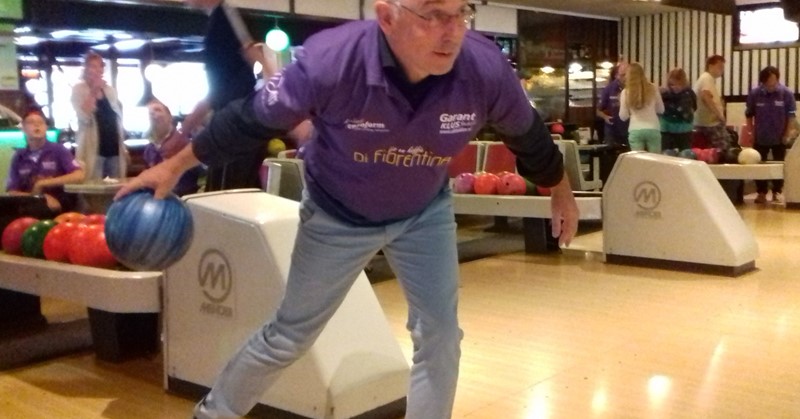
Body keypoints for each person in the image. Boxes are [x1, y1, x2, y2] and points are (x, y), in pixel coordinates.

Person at [117, 1, 579, 418]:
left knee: (440, 336)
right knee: (290, 335)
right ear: (386, 16)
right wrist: (173, 167)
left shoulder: (483, 69)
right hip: (337, 214)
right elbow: (247, 121)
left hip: (423, 211)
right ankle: (214, 413)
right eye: (432, 14)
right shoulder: (329, 62)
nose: (451, 30)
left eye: (461, 13)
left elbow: (529, 136)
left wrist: (560, 188)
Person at [180, 0, 270, 191]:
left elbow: (252, 56)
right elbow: (219, 90)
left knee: (229, 195)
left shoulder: (227, 14)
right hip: (238, 122)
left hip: (237, 124)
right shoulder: (220, 17)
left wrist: (186, 127)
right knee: (237, 193)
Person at [6, 110, 85, 212]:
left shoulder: (58, 150)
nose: (36, 125)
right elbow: (12, 191)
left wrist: (43, 183)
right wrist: (37, 199)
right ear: (23, 129)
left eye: (41, 122)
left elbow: (79, 175)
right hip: (29, 203)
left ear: (46, 128)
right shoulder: (19, 156)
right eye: (31, 122)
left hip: (59, 202)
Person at [71, 51, 128, 180]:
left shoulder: (110, 90)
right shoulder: (79, 89)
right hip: (93, 148)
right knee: (92, 186)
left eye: (100, 66)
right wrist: (94, 90)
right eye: (92, 66)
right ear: (86, 69)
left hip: (114, 146)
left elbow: (117, 117)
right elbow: (83, 116)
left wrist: (123, 147)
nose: (97, 70)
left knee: (117, 188)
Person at [745, 66, 797, 205]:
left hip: (779, 136)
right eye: (768, 83)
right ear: (763, 82)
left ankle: (777, 191)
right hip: (760, 136)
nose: (771, 85)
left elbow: (791, 116)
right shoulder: (755, 94)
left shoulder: (786, 94)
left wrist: (787, 134)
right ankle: (761, 192)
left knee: (780, 165)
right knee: (758, 165)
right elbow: (749, 114)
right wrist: (750, 132)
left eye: (774, 82)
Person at [144, 100, 203, 197]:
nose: (152, 113)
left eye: (157, 110)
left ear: (170, 118)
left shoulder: (184, 143)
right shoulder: (149, 149)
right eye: (149, 112)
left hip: (182, 197)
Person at [619, 62, 664, 152]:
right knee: (656, 161)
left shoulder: (625, 92)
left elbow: (623, 116)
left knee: (638, 162)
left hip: (635, 129)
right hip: (653, 128)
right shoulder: (653, 88)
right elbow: (661, 110)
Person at [693, 54, 733, 152]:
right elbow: (706, 96)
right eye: (720, 67)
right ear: (710, 66)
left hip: (703, 122)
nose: (722, 70)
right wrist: (719, 115)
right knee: (723, 148)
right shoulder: (707, 78)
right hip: (710, 123)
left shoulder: (704, 78)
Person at [659, 67, 697, 151]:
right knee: (667, 154)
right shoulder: (664, 95)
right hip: (667, 129)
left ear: (683, 83)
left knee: (685, 154)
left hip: (684, 129)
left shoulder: (689, 94)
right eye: (672, 85)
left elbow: (694, 107)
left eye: (678, 84)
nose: (675, 87)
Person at [597, 62, 630, 148]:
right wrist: (605, 117)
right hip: (612, 128)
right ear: (617, 75)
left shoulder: (634, 88)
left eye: (627, 74)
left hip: (630, 128)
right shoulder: (609, 88)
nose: (625, 78)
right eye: (622, 75)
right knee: (610, 155)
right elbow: (597, 110)